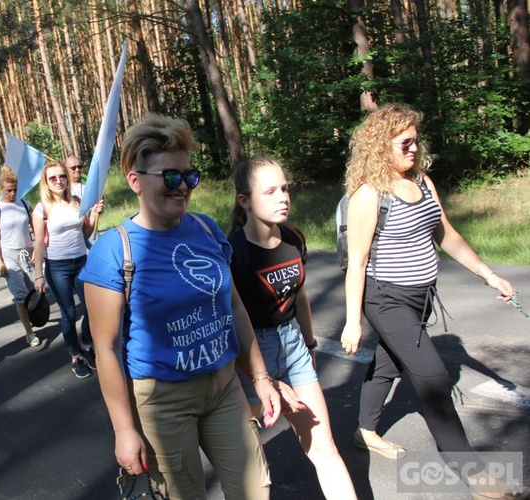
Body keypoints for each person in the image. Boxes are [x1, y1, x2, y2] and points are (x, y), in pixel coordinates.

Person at [80, 114, 305, 500]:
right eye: (170, 177)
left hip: (223, 388)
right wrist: (124, 429)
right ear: (135, 180)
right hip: (163, 401)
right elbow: (106, 350)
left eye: (188, 176)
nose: (182, 187)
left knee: (255, 491)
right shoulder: (114, 251)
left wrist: (261, 379)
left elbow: (233, 306)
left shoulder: (205, 229)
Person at [340, 104, 515, 464]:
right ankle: (467, 466)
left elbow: (446, 236)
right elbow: (356, 264)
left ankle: (365, 431)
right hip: (385, 297)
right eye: (404, 143)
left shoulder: (422, 182)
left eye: (415, 141)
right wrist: (352, 321)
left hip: (421, 296)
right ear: (380, 146)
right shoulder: (369, 195)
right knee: (434, 377)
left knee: (389, 362)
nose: (413, 149)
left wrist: (488, 274)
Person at [228, 157, 356, 499]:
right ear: (245, 200)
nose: (282, 197)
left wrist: (310, 345)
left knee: (325, 448)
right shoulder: (233, 253)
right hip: (251, 356)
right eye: (270, 191)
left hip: (294, 347)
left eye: (284, 189)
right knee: (249, 467)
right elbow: (229, 321)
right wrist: (261, 377)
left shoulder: (293, 240)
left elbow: (299, 298)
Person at [32, 160, 102, 378]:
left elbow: (86, 233)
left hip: (81, 261)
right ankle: (75, 357)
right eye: (53, 178)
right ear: (46, 182)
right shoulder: (42, 208)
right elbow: (37, 244)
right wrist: (38, 276)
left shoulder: (77, 201)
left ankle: (87, 344)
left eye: (62, 176)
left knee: (91, 308)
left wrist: (95, 214)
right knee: (69, 314)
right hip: (58, 267)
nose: (59, 181)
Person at [0, 166, 41, 347]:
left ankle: (32, 316)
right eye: (8, 190)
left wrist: (36, 249)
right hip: (9, 256)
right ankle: (29, 333)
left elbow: (36, 228)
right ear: (1, 189)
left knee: (36, 292)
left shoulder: (25, 205)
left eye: (14, 190)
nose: (12, 193)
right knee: (21, 295)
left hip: (27, 253)